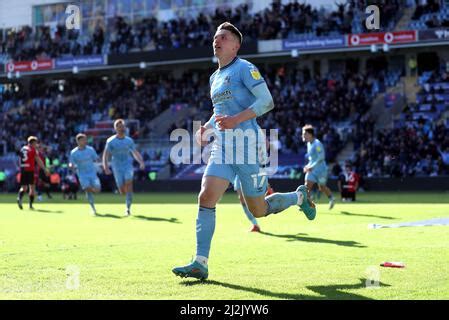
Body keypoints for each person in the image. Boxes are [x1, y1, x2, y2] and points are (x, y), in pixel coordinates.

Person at [172, 22, 316, 280]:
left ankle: (299, 198)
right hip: (223, 148)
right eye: (215, 37)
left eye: (224, 37)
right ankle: (200, 262)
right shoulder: (214, 77)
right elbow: (219, 114)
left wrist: (236, 119)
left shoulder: (245, 68)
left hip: (249, 148)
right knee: (206, 197)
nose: (217, 41)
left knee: (259, 209)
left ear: (236, 45)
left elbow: (267, 102)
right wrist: (205, 129)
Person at [102, 119, 145, 216]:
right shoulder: (110, 141)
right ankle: (125, 194)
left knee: (129, 183)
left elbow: (135, 152)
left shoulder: (129, 140)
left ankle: (128, 209)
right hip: (116, 166)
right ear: (115, 128)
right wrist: (106, 167)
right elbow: (105, 155)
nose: (122, 128)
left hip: (127, 165)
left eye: (123, 126)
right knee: (122, 190)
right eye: (119, 126)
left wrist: (141, 162)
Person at [302, 124, 335, 210]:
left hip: (321, 170)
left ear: (310, 134)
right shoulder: (309, 144)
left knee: (322, 187)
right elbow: (312, 159)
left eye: (304, 133)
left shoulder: (317, 144)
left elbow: (321, 157)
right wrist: (307, 166)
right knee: (306, 185)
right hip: (312, 170)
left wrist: (311, 166)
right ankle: (307, 204)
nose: (303, 135)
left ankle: (331, 198)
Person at [69, 133, 101, 215]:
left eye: (85, 139)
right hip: (82, 174)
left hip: (92, 173)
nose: (85, 141)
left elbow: (96, 158)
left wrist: (101, 164)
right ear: (78, 141)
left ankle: (93, 190)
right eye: (83, 140)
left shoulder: (90, 149)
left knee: (98, 188)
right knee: (87, 189)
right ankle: (93, 208)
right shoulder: (73, 152)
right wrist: (71, 166)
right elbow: (71, 163)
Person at [17, 136, 50, 210]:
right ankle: (30, 205)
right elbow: (38, 160)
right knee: (32, 188)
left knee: (23, 187)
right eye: (36, 143)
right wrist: (44, 169)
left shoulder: (22, 149)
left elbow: (19, 159)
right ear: (33, 143)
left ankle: (19, 198)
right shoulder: (33, 150)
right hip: (30, 170)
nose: (37, 145)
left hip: (23, 169)